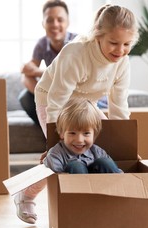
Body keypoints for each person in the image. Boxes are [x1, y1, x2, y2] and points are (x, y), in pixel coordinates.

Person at [34, 4, 139, 137]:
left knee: (108, 141)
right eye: (113, 43)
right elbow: (56, 102)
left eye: (126, 44)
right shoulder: (75, 55)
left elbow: (119, 109)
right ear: (98, 36)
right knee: (67, 146)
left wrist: (126, 147)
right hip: (51, 99)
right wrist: (54, 143)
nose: (120, 50)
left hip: (85, 103)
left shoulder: (123, 63)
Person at [14, 98, 122, 224]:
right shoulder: (58, 151)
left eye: (86, 133)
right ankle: (83, 206)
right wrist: (49, 159)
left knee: (104, 162)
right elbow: (51, 167)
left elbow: (110, 167)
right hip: (76, 194)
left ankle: (116, 196)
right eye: (72, 133)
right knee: (77, 166)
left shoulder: (96, 151)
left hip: (98, 191)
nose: (79, 140)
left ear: (94, 135)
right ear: (61, 133)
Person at [18, 0, 77, 125]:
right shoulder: (42, 44)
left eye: (60, 20)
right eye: (49, 20)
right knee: (25, 97)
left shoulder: (77, 42)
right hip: (54, 94)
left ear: (68, 22)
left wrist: (37, 71)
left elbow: (69, 75)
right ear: (43, 24)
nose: (55, 25)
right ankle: (51, 133)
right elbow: (27, 71)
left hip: (76, 93)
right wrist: (46, 96)